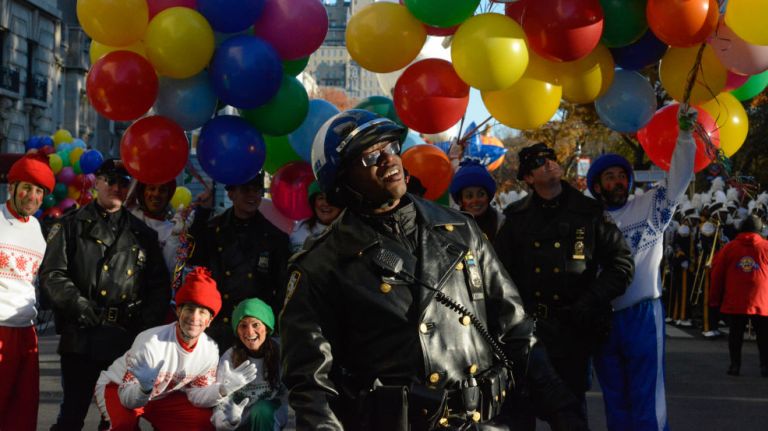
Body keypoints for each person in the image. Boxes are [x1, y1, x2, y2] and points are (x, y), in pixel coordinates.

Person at [280, 110, 586, 430]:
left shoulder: (461, 228)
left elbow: (516, 329)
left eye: (391, 148)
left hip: (482, 422)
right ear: (341, 181)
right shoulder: (319, 264)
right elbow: (312, 386)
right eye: (371, 156)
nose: (388, 160)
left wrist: (562, 407)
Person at [493, 143, 634, 429]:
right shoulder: (516, 217)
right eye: (539, 162)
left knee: (569, 415)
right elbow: (499, 274)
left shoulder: (589, 212)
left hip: (574, 329)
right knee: (521, 411)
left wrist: (590, 301)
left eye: (551, 158)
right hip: (529, 332)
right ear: (529, 178)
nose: (549, 164)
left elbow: (622, 265)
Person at [586, 107, 697, 431]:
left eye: (621, 175)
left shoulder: (650, 205)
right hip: (603, 320)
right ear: (597, 185)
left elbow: (679, 177)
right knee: (615, 399)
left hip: (642, 314)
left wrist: (685, 136)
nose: (618, 181)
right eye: (609, 177)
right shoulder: (586, 220)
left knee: (647, 397)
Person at [40, 159, 170, 431]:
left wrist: (143, 327)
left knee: (117, 417)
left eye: (123, 182)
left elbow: (159, 286)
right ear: (96, 182)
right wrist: (79, 306)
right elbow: (52, 274)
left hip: (125, 337)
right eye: (110, 181)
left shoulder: (141, 233)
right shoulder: (70, 226)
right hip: (82, 333)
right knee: (72, 414)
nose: (116, 187)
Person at [95, 267, 259, 430]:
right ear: (178, 311)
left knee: (202, 423)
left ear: (210, 320)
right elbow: (126, 399)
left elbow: (196, 395)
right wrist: (143, 388)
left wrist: (223, 389)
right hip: (118, 388)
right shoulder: (151, 342)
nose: (194, 318)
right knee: (123, 426)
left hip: (161, 397)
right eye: (189, 309)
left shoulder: (209, 350)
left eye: (202, 312)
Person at [189, 173, 290, 351]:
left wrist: (269, 324)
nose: (252, 195)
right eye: (245, 190)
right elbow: (193, 257)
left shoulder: (275, 237)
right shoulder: (213, 229)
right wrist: (202, 212)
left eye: (257, 190)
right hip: (218, 325)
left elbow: (282, 288)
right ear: (231, 194)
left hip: (254, 329)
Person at [0, 153, 55, 431]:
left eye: (38, 191)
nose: (32, 196)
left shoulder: (37, 228)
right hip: (0, 328)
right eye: (26, 188)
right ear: (12, 188)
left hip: (26, 330)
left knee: (22, 409)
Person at [212, 298, 288, 430]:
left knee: (262, 409)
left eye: (256, 324)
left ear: (267, 327)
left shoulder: (281, 352)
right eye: (243, 325)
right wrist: (229, 421)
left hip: (270, 421)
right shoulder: (229, 358)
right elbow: (219, 406)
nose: (250, 332)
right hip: (238, 425)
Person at [709, 215, 768, 377]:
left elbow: (717, 273)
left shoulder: (730, 248)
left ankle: (735, 365)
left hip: (735, 298)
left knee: (735, 335)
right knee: (764, 335)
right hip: (761, 299)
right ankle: (765, 366)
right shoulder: (766, 246)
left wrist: (714, 298)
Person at [129, 179, 181, 275]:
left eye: (163, 190)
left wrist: (175, 237)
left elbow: (168, 269)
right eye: (151, 188)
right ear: (142, 192)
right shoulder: (130, 213)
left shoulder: (172, 230)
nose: (156, 194)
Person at [449, 160, 504, 243]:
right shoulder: (451, 228)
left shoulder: (502, 223)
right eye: (469, 196)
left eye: (481, 194)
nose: (475, 200)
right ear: (460, 201)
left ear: (488, 197)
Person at [289, 182, 343, 254]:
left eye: (332, 198)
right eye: (321, 198)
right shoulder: (302, 228)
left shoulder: (353, 228)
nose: (326, 203)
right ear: (313, 203)